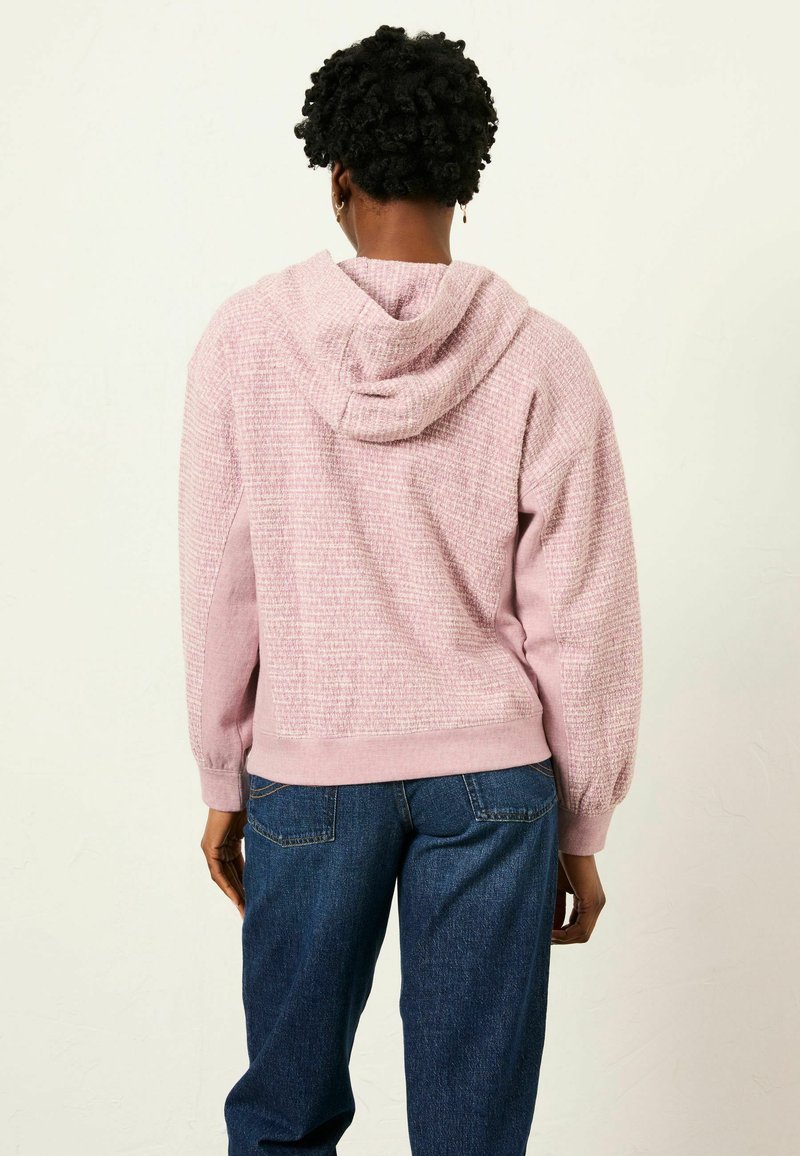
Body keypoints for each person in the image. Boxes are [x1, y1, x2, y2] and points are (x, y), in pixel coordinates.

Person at [177, 23, 643, 1156]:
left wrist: (223, 771)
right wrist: (583, 818)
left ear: (337, 178)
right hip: (493, 786)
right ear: (465, 182)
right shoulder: (542, 357)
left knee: (284, 1116)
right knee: (472, 1134)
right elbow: (582, 613)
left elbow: (220, 582)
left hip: (310, 772)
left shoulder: (246, 343)